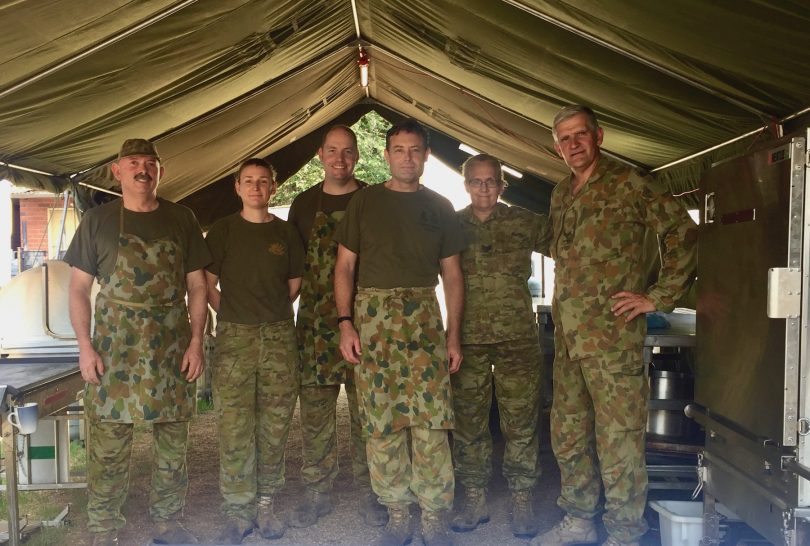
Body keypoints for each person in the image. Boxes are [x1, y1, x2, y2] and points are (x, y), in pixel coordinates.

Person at [532, 106, 697, 546]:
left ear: (599, 136)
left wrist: (659, 296)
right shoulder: (561, 192)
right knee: (567, 433)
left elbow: (683, 231)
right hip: (568, 340)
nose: (573, 145)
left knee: (618, 442)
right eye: (564, 139)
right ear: (556, 146)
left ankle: (624, 534)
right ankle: (579, 520)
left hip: (613, 340)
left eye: (580, 135)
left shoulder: (631, 183)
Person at [66, 139, 210, 546]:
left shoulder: (183, 218)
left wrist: (196, 341)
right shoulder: (98, 220)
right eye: (133, 163)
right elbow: (79, 289)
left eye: (150, 163)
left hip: (171, 344)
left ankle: (167, 522)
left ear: (160, 171)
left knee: (171, 444)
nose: (142, 169)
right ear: (117, 170)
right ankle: (104, 528)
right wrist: (84, 346)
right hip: (115, 349)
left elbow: (197, 285)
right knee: (109, 446)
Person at [333, 118, 467, 546]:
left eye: (415, 150)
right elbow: (344, 267)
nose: (407, 158)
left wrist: (452, 336)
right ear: (387, 155)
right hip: (372, 319)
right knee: (383, 421)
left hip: (424, 318)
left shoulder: (441, 206)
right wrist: (345, 323)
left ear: (426, 155)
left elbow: (453, 276)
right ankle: (396, 513)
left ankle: (432, 518)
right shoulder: (366, 202)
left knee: (431, 421)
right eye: (399, 150)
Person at [287, 125, 388, 528]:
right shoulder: (303, 204)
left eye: (348, 151)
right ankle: (317, 494)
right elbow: (291, 269)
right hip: (314, 326)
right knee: (315, 418)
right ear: (319, 155)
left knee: (369, 417)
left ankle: (372, 494)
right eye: (333, 151)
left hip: (363, 325)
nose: (340, 159)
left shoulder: (373, 201)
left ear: (358, 156)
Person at [204, 158, 304, 544]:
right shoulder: (223, 231)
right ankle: (236, 511)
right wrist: (231, 312)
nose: (256, 187)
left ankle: (265, 504)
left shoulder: (286, 233)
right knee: (234, 426)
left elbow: (293, 285)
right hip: (234, 338)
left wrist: (268, 314)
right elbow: (208, 284)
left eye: (263, 181)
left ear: (273, 188)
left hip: (279, 336)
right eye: (249, 181)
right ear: (237, 187)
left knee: (275, 425)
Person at [451, 154, 547, 538]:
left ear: (502, 186)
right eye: (476, 181)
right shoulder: (452, 225)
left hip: (518, 339)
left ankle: (522, 497)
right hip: (468, 339)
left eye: (492, 181)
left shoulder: (524, 221)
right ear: (466, 184)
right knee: (469, 422)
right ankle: (474, 496)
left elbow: (573, 252)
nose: (484, 188)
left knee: (521, 422)